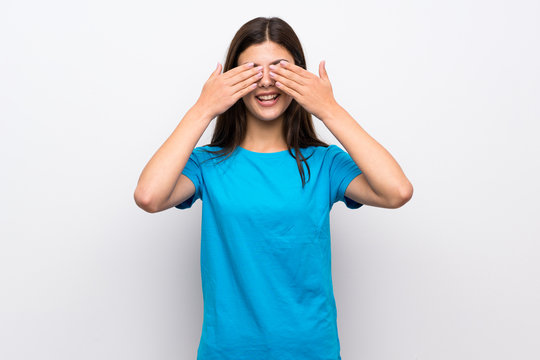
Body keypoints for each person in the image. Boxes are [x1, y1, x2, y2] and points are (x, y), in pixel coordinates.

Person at [134, 16, 413, 360]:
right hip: (228, 352)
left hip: (311, 351)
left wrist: (329, 109)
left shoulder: (324, 163)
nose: (266, 82)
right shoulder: (207, 163)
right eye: (251, 71)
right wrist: (203, 108)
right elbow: (148, 196)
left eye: (279, 69)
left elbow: (396, 191)